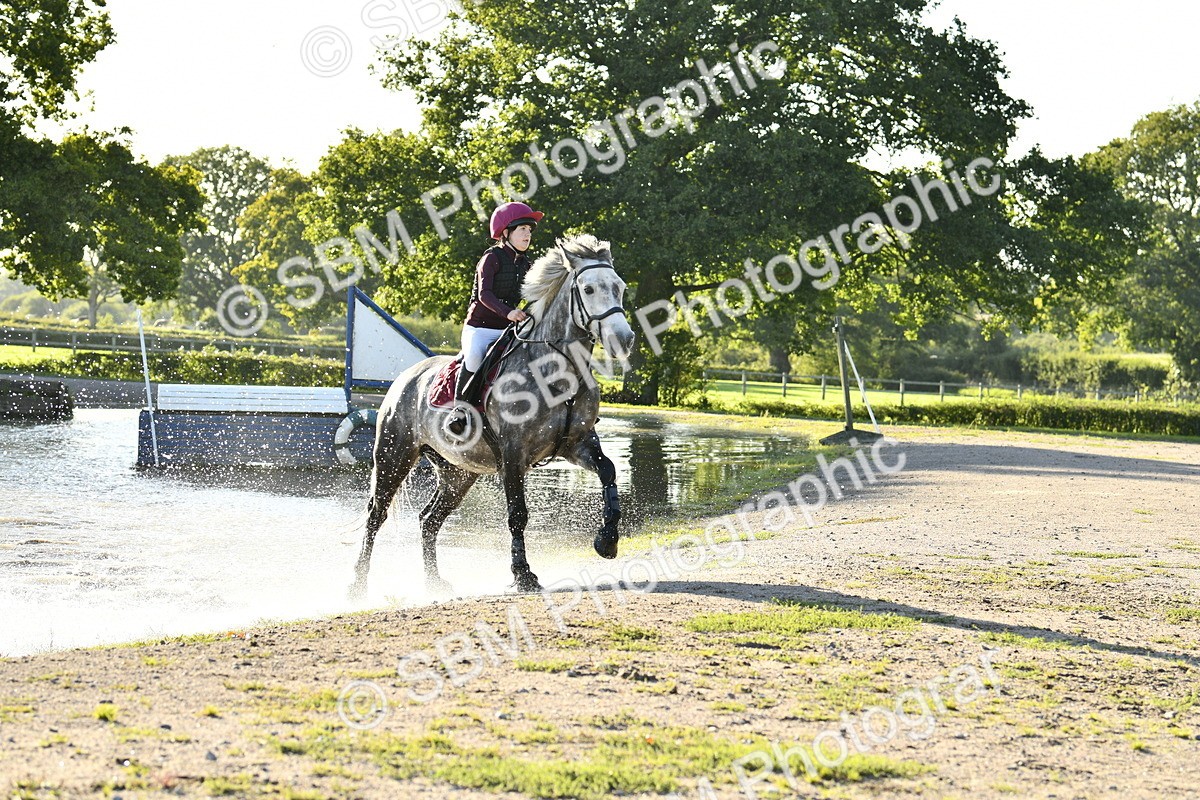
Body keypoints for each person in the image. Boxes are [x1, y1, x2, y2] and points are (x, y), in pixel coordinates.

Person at [445, 201, 544, 434]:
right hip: (479, 328)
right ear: (506, 233)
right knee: (473, 357)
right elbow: (484, 295)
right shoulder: (491, 258)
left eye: (529, 230)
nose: (528, 235)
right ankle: (459, 411)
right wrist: (508, 312)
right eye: (522, 229)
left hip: (508, 331)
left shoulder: (527, 264)